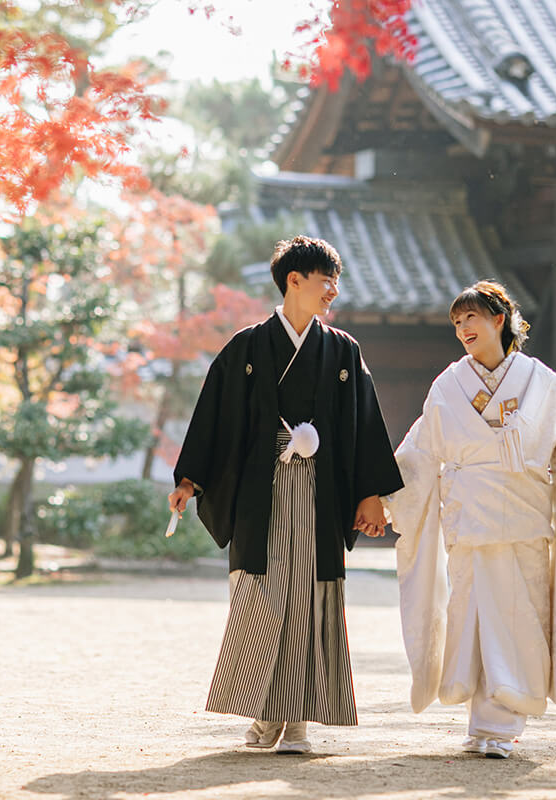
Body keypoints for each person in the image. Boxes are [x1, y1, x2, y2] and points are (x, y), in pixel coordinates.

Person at [169, 235, 403, 754]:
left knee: (308, 600)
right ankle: (270, 712)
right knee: (260, 595)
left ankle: (294, 721)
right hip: (261, 487)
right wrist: (191, 479)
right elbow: (214, 416)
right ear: (294, 280)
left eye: (335, 282)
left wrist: (371, 496)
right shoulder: (246, 347)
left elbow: (364, 424)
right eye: (326, 280)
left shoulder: (343, 350)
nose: (333, 292)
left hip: (320, 493)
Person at [384, 280, 556, 760]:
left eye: (472, 318)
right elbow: (420, 452)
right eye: (457, 321)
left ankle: (500, 727)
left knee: (518, 619)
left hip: (522, 521)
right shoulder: (447, 385)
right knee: (473, 618)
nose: (463, 328)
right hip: (469, 520)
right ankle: (480, 723)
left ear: (499, 320)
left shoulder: (542, 381)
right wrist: (382, 495)